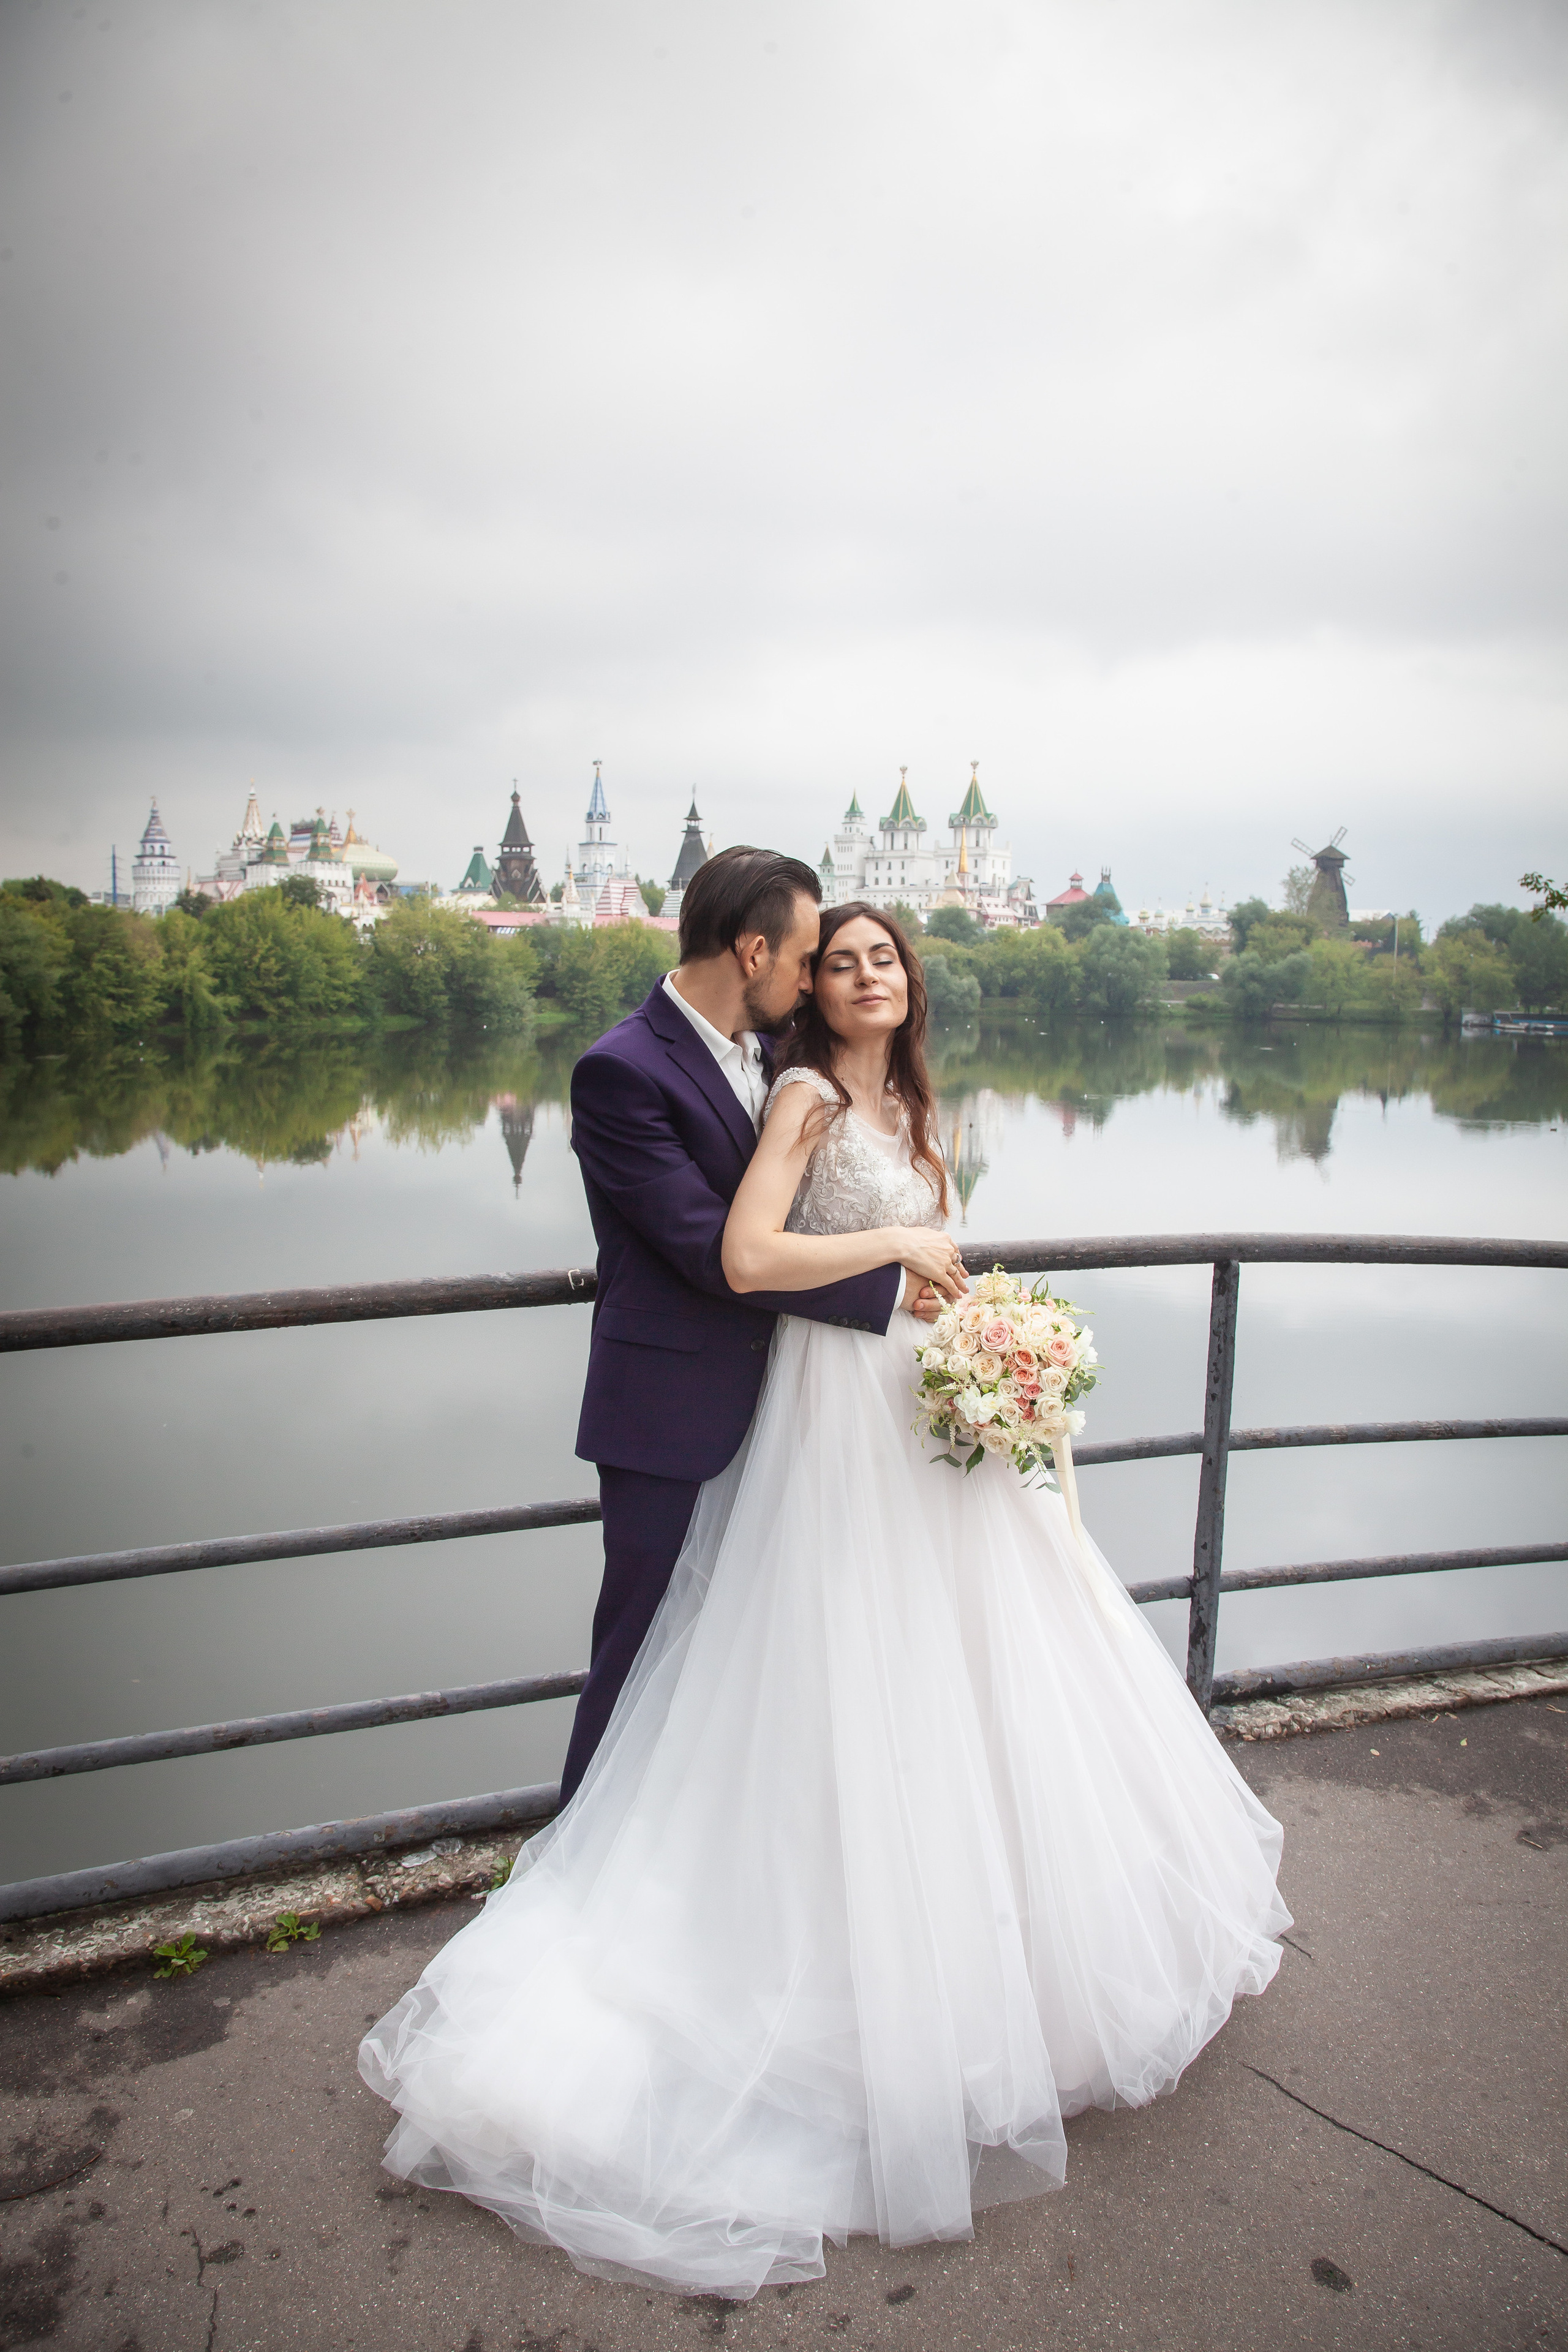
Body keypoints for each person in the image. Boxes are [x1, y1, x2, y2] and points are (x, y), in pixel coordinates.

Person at [360, 900, 1290, 2300]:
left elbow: (922, 1254)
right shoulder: (786, 1088)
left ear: (910, 984)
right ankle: (710, 1947)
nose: (852, 974)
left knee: (970, 1671)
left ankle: (994, 1968)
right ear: (781, 964)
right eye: (830, 955)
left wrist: (990, 1344)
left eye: (876, 958)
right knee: (817, 1667)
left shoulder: (911, 1101)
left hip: (920, 1413)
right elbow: (741, 1257)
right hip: (830, 1418)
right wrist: (896, 1262)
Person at [556, 847, 952, 1803]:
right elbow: (709, 1248)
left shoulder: (780, 1058)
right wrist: (891, 1288)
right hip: (672, 1408)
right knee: (643, 1647)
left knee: (759, 1657)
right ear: (754, 952)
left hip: (801, 1411)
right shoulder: (620, 1071)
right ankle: (571, 1859)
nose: (820, 977)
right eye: (813, 955)